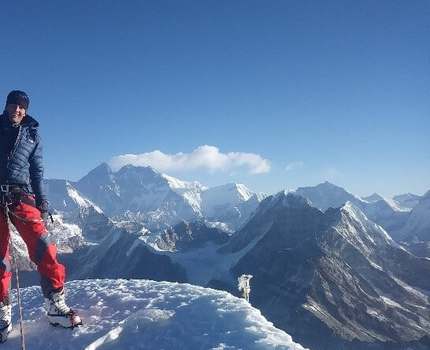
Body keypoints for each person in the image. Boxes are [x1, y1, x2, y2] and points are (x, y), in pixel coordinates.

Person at [0, 90, 82, 342]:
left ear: (26, 110)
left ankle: (55, 303)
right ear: (7, 105)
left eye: (22, 106)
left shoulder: (33, 134)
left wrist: (43, 202)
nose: (17, 109)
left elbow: (37, 172)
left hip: (21, 196)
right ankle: (2, 314)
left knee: (45, 248)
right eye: (14, 104)